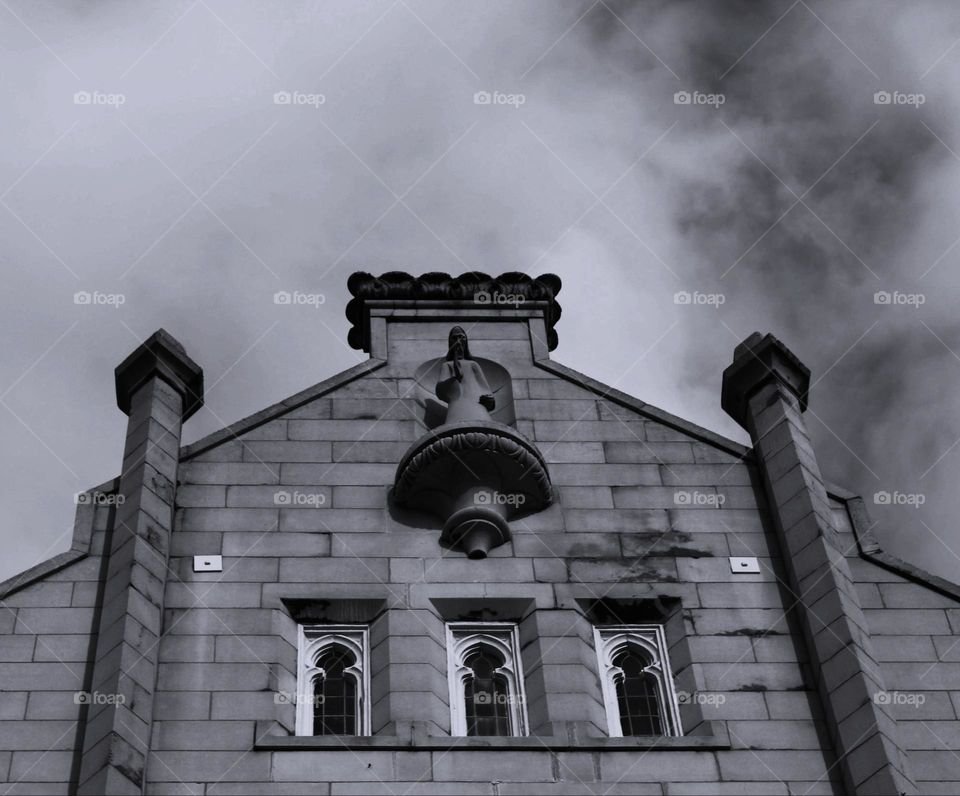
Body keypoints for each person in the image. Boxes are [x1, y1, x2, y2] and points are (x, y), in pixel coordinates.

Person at [436, 326, 495, 423]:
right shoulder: (446, 365)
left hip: (476, 404)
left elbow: (485, 388)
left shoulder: (473, 364)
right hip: (457, 404)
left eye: (461, 337)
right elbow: (440, 389)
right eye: (455, 338)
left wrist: (489, 400)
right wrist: (454, 379)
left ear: (465, 340)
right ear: (450, 341)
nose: (458, 341)